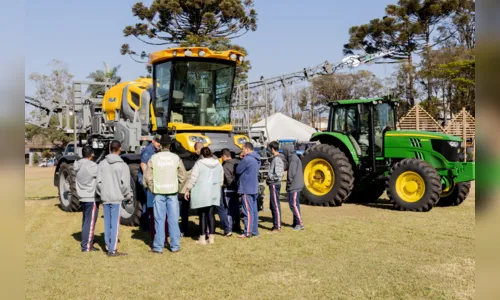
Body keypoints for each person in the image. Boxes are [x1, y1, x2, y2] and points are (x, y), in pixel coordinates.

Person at [145, 134, 187, 254]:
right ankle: (175, 245)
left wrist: (152, 188)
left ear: (160, 145)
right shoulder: (176, 158)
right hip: (172, 192)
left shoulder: (154, 158)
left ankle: (158, 246)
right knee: (173, 220)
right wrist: (178, 187)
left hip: (158, 192)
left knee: (159, 219)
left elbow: (147, 176)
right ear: (169, 145)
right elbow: (183, 176)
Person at [97, 140, 132, 257]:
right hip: (116, 197)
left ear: (110, 148)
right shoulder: (123, 165)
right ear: (119, 149)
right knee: (115, 224)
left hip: (105, 197)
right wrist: (124, 195)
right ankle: (112, 250)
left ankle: (108, 246)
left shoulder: (102, 164)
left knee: (107, 222)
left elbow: (98, 182)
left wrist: (103, 192)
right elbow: (125, 185)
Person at [184, 147, 224, 245]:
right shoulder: (218, 163)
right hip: (213, 191)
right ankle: (211, 237)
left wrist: (188, 189)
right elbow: (221, 178)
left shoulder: (199, 163)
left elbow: (193, 177)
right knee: (211, 214)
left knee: (202, 215)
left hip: (201, 191)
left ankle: (202, 238)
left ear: (201, 155)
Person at [138, 136, 168, 243]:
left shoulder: (156, 150)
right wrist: (149, 178)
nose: (159, 144)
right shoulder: (148, 150)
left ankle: (147, 226)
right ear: (153, 141)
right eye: (157, 143)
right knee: (148, 204)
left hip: (153, 181)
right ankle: (146, 225)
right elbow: (143, 165)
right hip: (148, 181)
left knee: (150, 205)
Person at [74, 146, 100, 252]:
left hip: (82, 196)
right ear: (92, 154)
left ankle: (86, 242)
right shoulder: (93, 166)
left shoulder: (78, 165)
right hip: (91, 197)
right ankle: (87, 246)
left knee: (86, 221)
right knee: (90, 222)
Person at [178, 141, 204, 237]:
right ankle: (202, 230)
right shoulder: (199, 162)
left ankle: (183, 230)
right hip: (196, 190)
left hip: (183, 190)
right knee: (201, 212)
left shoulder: (181, 162)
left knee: (183, 211)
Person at [235, 142, 261, 238]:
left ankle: (247, 232)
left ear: (246, 149)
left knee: (247, 211)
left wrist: (241, 160)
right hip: (254, 187)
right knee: (254, 211)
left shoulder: (247, 159)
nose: (242, 150)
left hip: (246, 188)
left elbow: (238, 170)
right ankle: (254, 230)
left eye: (242, 149)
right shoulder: (257, 159)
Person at [218, 148, 241, 237]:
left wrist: (230, 186)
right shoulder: (237, 162)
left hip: (229, 189)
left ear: (224, 156)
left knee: (228, 209)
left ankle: (229, 227)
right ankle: (237, 225)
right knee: (236, 208)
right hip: (238, 189)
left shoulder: (225, 166)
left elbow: (228, 178)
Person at [282, 144, 305, 230]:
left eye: (284, 151)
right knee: (295, 204)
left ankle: (299, 223)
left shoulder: (293, 159)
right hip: (296, 185)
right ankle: (296, 222)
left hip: (294, 186)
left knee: (293, 204)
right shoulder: (294, 158)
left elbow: (291, 174)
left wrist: (288, 185)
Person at [266, 141, 285, 233]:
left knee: (275, 205)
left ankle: (277, 227)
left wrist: (269, 178)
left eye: (269, 149)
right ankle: (275, 225)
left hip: (274, 184)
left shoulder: (277, 159)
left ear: (272, 149)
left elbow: (278, 174)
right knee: (273, 204)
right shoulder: (275, 159)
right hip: (273, 184)